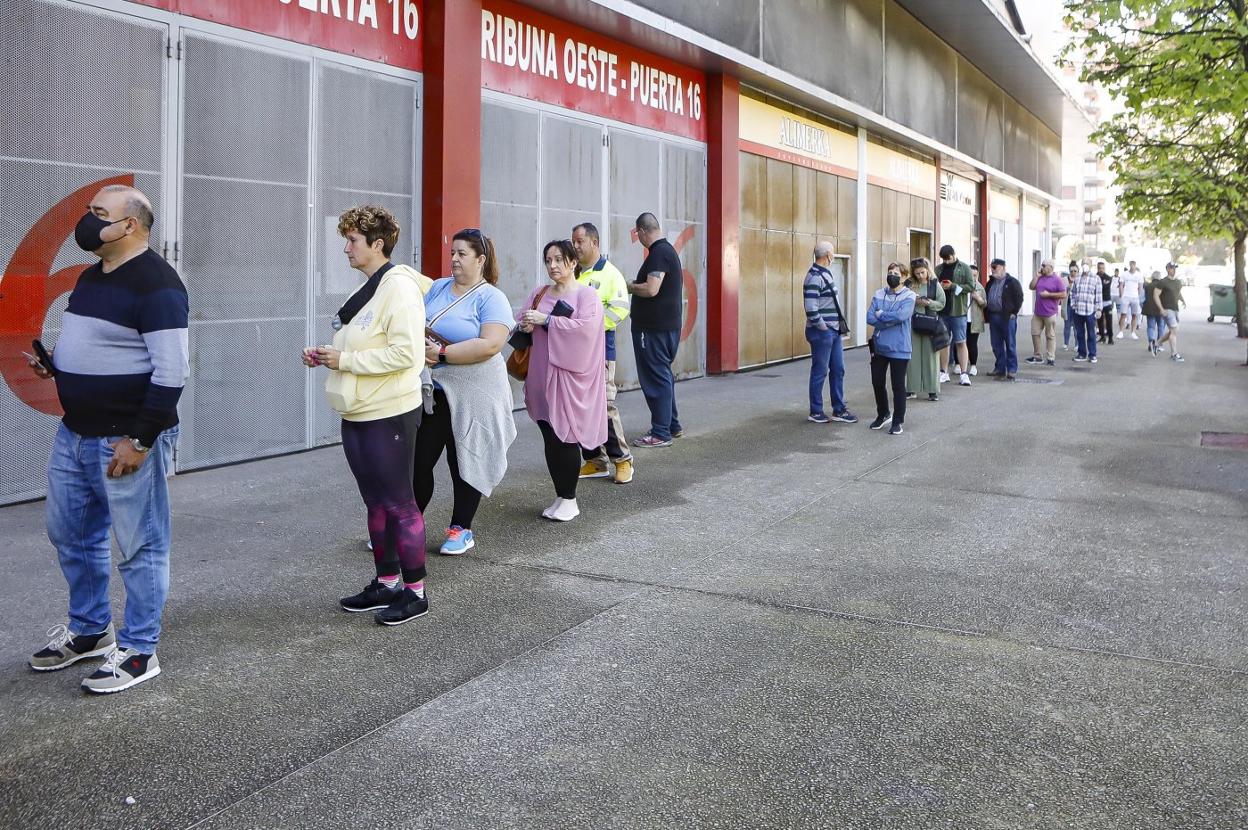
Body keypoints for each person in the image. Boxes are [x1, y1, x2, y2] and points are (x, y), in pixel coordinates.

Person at [25, 185, 188, 693]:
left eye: (99, 214)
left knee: (140, 546)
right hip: (75, 433)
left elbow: (172, 371)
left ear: (131, 226)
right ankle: (91, 630)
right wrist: (61, 366)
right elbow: (101, 344)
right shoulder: (93, 277)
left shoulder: (158, 285)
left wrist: (139, 442)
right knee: (70, 533)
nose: (87, 223)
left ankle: (140, 649)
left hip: (124, 439)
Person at [306, 206, 430, 625]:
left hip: (388, 411)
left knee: (399, 504)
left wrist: (345, 359)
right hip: (359, 411)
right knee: (375, 503)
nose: (345, 248)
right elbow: (364, 344)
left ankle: (415, 592)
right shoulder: (371, 289)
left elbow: (408, 354)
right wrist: (330, 356)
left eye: (353, 240)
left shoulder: (398, 288)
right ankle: (386, 582)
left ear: (377, 245)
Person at [416, 229, 517, 555]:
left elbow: (491, 344)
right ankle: (407, 525)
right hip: (436, 389)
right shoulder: (438, 287)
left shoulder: (491, 297)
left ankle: (462, 528)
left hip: (476, 391)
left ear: (480, 259)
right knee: (417, 462)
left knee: (467, 458)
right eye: (453, 253)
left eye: (462, 254)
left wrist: (442, 355)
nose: (455, 259)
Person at [517, 240, 608, 521]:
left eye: (559, 259)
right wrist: (526, 323)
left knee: (565, 436)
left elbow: (588, 331)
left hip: (569, 378)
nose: (553, 265)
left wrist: (548, 321)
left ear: (572, 262)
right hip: (541, 372)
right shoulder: (540, 292)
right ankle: (560, 495)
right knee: (549, 435)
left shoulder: (586, 296)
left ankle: (570, 498)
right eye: (548, 260)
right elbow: (522, 320)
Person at [571, 222, 634, 484]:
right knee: (580, 407)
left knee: (604, 405)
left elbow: (620, 310)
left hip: (600, 349)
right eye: (573, 242)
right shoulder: (573, 274)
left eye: (579, 242)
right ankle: (595, 461)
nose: (575, 247)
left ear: (594, 243)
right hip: (574, 351)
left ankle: (623, 460)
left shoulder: (610, 274)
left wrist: (590, 326)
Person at [628, 213, 684, 447]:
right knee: (663, 376)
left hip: (652, 330)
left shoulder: (659, 253)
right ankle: (671, 425)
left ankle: (660, 433)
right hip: (665, 327)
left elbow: (651, 289)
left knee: (656, 378)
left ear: (642, 231)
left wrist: (628, 286)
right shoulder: (667, 252)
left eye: (637, 234)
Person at [803, 240, 857, 424]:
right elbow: (811, 307)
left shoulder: (823, 274)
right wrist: (823, 326)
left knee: (838, 369)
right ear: (827, 255)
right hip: (823, 332)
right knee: (820, 371)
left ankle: (839, 409)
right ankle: (816, 411)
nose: (833, 256)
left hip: (832, 331)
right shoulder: (815, 277)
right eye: (832, 253)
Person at [866, 262, 916, 435]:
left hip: (900, 348)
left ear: (903, 277)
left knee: (898, 385)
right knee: (877, 381)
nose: (892, 275)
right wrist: (888, 318)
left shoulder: (909, 295)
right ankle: (883, 414)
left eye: (896, 273)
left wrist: (882, 315)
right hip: (880, 347)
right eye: (890, 272)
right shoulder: (879, 293)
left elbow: (903, 315)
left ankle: (898, 420)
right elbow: (870, 317)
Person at [905, 257, 945, 402]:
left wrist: (928, 303)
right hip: (913, 322)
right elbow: (902, 298)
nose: (920, 276)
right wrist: (913, 300)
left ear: (928, 270)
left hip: (929, 322)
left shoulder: (934, 284)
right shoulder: (909, 283)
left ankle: (932, 389)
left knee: (931, 357)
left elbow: (942, 303)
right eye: (917, 273)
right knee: (912, 356)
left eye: (922, 272)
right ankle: (912, 388)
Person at [935, 244, 976, 387]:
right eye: (944, 259)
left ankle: (964, 374)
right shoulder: (938, 269)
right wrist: (940, 285)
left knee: (960, 341)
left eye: (948, 258)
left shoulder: (964, 268)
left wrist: (952, 286)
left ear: (954, 254)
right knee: (944, 342)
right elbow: (932, 286)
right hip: (941, 310)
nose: (946, 261)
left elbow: (971, 287)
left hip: (958, 311)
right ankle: (943, 372)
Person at [985, 258, 1024, 380]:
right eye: (991, 267)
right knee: (996, 344)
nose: (993, 269)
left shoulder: (1012, 282)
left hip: (1007, 317)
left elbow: (1019, 297)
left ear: (1003, 267)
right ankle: (1000, 368)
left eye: (995, 267)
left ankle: (1012, 369)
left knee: (1010, 343)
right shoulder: (990, 282)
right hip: (994, 315)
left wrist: (1014, 312)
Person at [1025, 259, 1066, 366]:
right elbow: (1031, 287)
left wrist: (1049, 295)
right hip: (1038, 312)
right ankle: (1037, 356)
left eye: (1044, 265)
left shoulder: (1057, 280)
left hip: (1050, 313)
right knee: (1035, 333)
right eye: (1041, 265)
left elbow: (1063, 294)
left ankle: (1051, 357)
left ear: (1050, 267)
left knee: (1050, 335)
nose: (1042, 267)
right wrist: (1037, 276)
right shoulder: (1040, 277)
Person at [1069, 265, 1103, 364]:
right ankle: (1082, 353)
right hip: (1078, 310)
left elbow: (1099, 295)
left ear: (1091, 265)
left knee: (1091, 334)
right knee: (1079, 333)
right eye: (1083, 263)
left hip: (1090, 311)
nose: (1085, 265)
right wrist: (1073, 305)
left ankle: (1092, 355)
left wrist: (1099, 309)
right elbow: (1073, 292)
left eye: (1087, 263)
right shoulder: (1077, 278)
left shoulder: (1096, 278)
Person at [1154, 262, 1186, 362]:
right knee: (1174, 330)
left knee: (1174, 331)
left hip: (1175, 309)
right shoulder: (1163, 282)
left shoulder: (1177, 282)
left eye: (1175, 268)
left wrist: (1183, 300)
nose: (1174, 270)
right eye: (1172, 268)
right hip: (1167, 309)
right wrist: (1161, 309)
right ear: (1167, 269)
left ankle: (1156, 344)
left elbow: (1177, 292)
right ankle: (1174, 354)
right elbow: (1155, 295)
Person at [1143, 269, 1169, 355]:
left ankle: (1151, 340)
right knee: (1161, 327)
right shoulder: (1162, 286)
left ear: (1152, 277)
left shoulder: (1147, 286)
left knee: (1151, 327)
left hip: (1149, 309)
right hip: (1160, 309)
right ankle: (1158, 344)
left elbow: (1143, 297)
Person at [966, 265, 986, 375]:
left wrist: (978, 298)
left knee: (972, 343)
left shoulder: (979, 287)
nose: (973, 278)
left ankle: (973, 365)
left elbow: (984, 304)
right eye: (971, 275)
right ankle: (958, 364)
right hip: (961, 319)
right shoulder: (962, 287)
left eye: (975, 275)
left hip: (974, 320)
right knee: (959, 342)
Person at [1118, 260, 1144, 339]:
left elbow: (1141, 286)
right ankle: (1121, 332)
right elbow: (1121, 285)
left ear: (1135, 265)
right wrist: (1122, 294)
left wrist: (1138, 295)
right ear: (1129, 265)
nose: (1132, 266)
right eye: (1131, 265)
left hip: (1135, 297)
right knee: (1123, 314)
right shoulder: (1124, 274)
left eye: (1134, 265)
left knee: (1134, 315)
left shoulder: (1139, 275)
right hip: (1126, 296)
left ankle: (1133, 332)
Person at [1095, 261, 1116, 345]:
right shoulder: (1094, 277)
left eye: (1103, 268)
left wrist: (1098, 286)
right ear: (1097, 268)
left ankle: (1110, 338)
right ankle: (1102, 337)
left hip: (1107, 302)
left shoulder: (1108, 277)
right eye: (1100, 268)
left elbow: (1104, 287)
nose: (1101, 270)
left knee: (1109, 321)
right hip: (1098, 302)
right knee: (1099, 321)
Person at [1061, 261, 1079, 350]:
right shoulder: (1064, 279)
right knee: (1067, 324)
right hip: (1067, 305)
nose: (1073, 273)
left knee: (1076, 326)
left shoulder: (1079, 280)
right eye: (1071, 271)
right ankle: (1065, 343)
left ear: (1078, 271)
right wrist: (1066, 289)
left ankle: (1077, 344)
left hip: (1076, 306)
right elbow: (1060, 290)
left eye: (1075, 271)